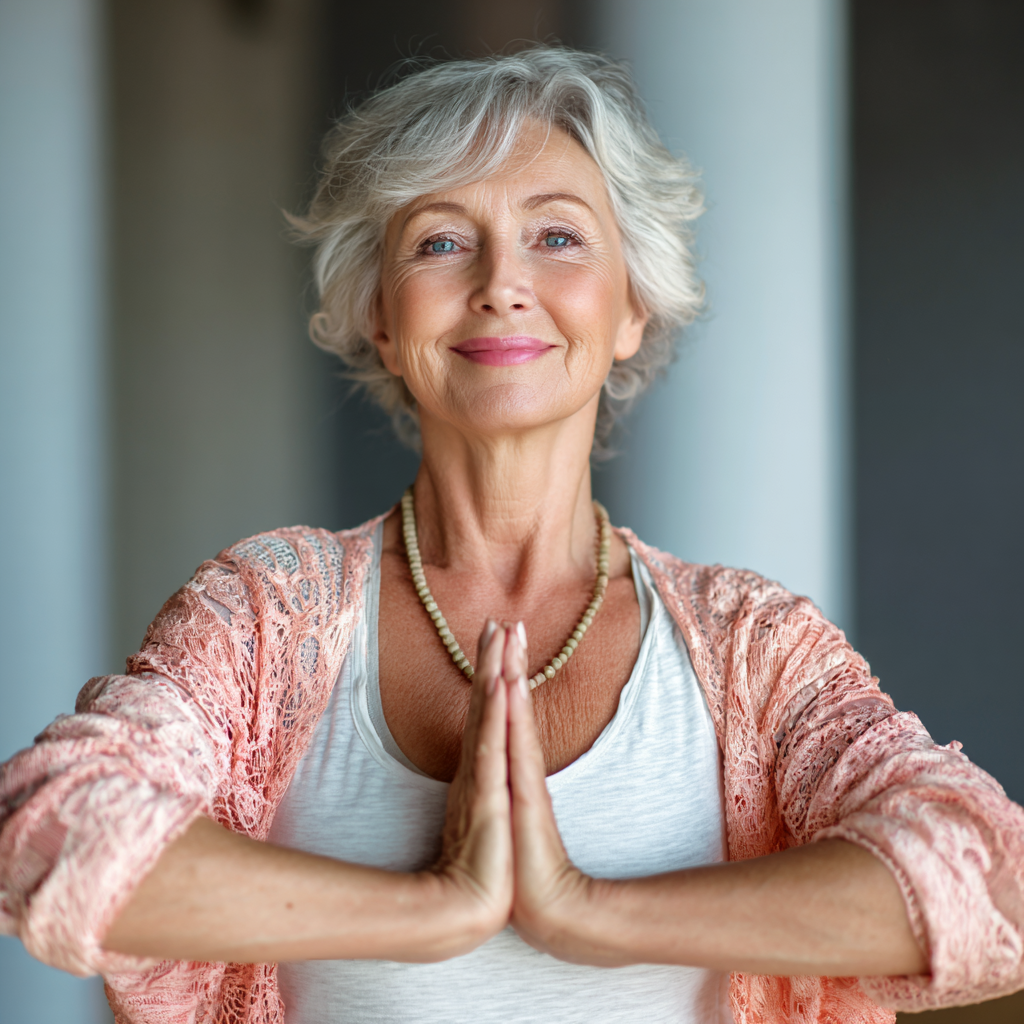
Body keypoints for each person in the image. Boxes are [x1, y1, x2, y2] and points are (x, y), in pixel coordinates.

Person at [1, 46, 1022, 1024]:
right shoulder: (269, 615)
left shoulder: (747, 646)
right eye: (441, 241)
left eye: (557, 235)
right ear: (381, 320)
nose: (501, 281)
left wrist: (581, 908)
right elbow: (50, 831)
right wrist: (436, 908)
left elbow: (992, 884)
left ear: (630, 308)